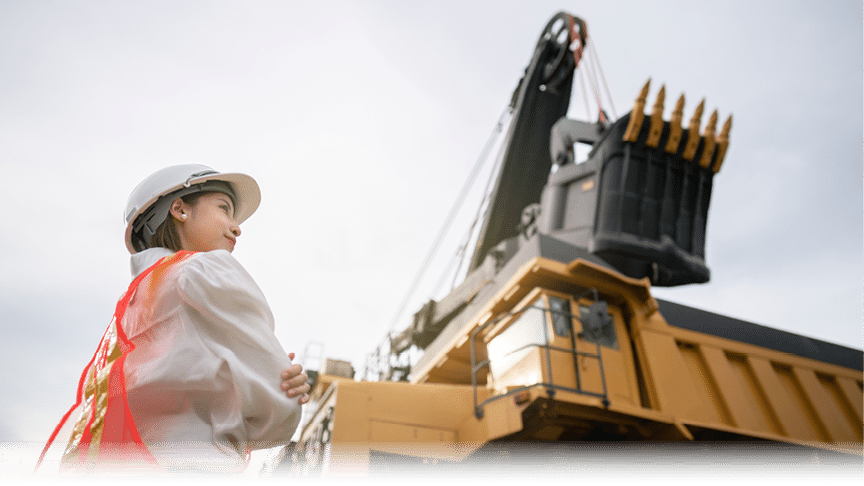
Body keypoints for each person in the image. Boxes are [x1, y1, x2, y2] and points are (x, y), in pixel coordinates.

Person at [35, 164, 310, 477]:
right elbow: (273, 409)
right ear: (180, 209)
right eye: (224, 209)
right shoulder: (205, 269)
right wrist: (279, 381)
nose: (236, 228)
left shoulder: (134, 305)